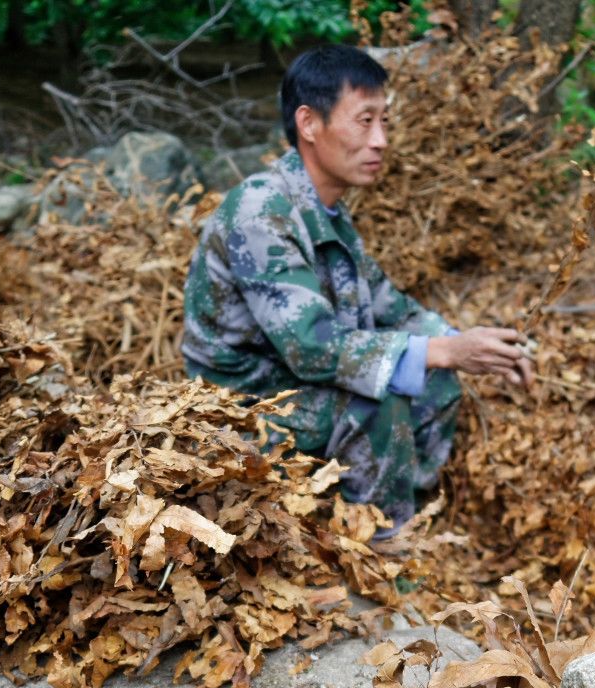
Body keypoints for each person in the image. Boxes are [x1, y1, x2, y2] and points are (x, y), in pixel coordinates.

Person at [181, 44, 532, 537]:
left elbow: (390, 306)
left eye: (384, 122)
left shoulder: (326, 211)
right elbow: (311, 345)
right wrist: (445, 350)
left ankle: (399, 510)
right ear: (309, 123)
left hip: (291, 385)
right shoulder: (260, 210)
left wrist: (476, 346)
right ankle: (379, 555)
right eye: (365, 121)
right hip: (239, 403)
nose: (381, 140)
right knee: (381, 399)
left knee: (435, 379)